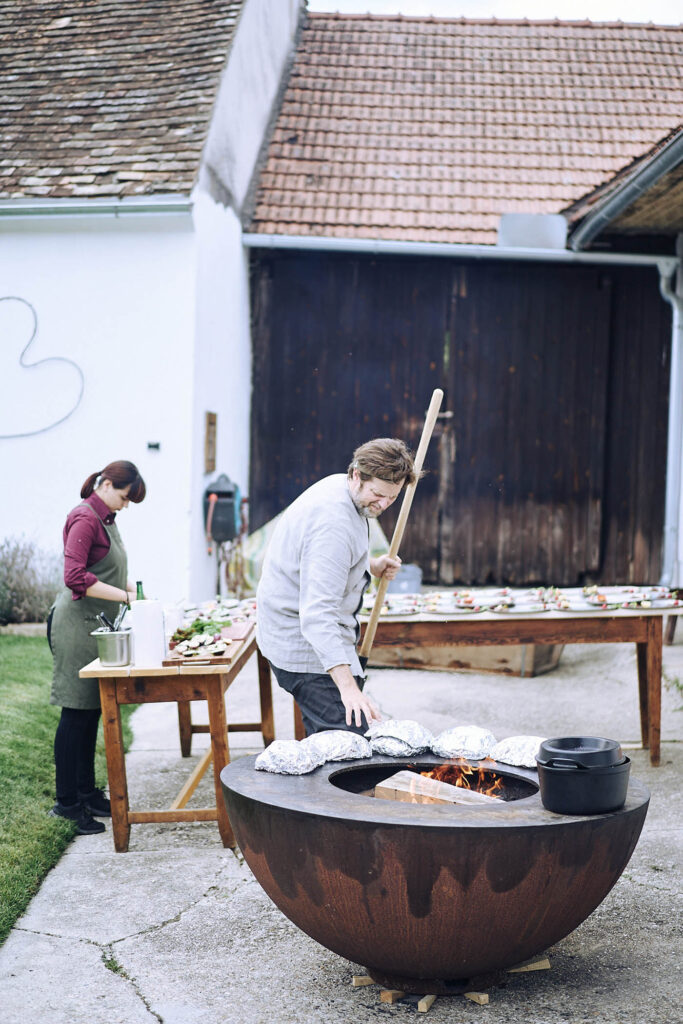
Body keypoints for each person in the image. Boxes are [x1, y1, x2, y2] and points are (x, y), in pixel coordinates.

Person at [256, 438, 416, 736]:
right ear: (357, 475)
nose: (383, 505)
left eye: (392, 498)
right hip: (303, 644)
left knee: (348, 736)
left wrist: (371, 564)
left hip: (304, 630)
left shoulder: (340, 487)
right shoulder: (332, 523)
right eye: (378, 494)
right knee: (347, 743)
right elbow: (317, 616)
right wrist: (349, 689)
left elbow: (329, 557)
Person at [48, 461, 146, 835]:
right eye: (123, 496)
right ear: (106, 484)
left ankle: (87, 793)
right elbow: (74, 577)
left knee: (91, 713)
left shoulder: (106, 518)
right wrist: (126, 597)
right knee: (75, 714)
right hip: (76, 626)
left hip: (97, 628)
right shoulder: (85, 518)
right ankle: (67, 804)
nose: (125, 505)